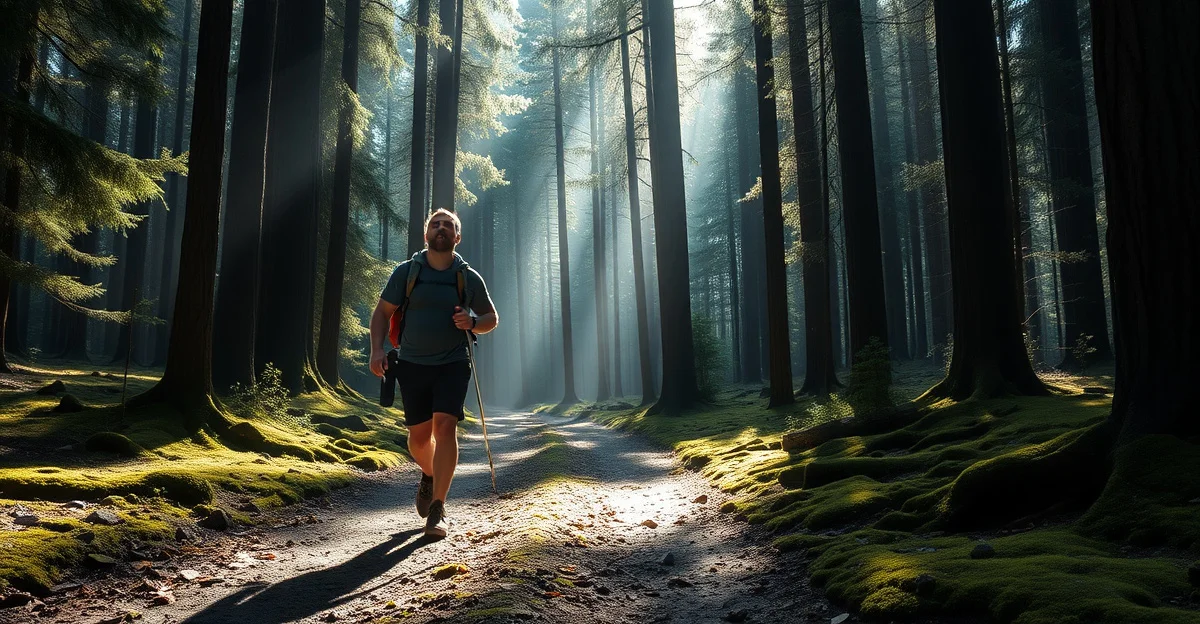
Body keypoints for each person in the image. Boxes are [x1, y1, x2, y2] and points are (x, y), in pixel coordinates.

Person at [369, 208, 498, 538]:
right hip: (412, 365)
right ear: (426, 234)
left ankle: (438, 509)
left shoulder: (467, 277)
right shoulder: (407, 272)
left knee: (445, 427)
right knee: (418, 439)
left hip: (453, 363)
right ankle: (429, 474)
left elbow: (490, 318)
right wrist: (377, 350)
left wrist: (472, 323)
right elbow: (382, 313)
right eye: (435, 224)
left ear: (457, 237)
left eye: (448, 226)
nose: (441, 229)